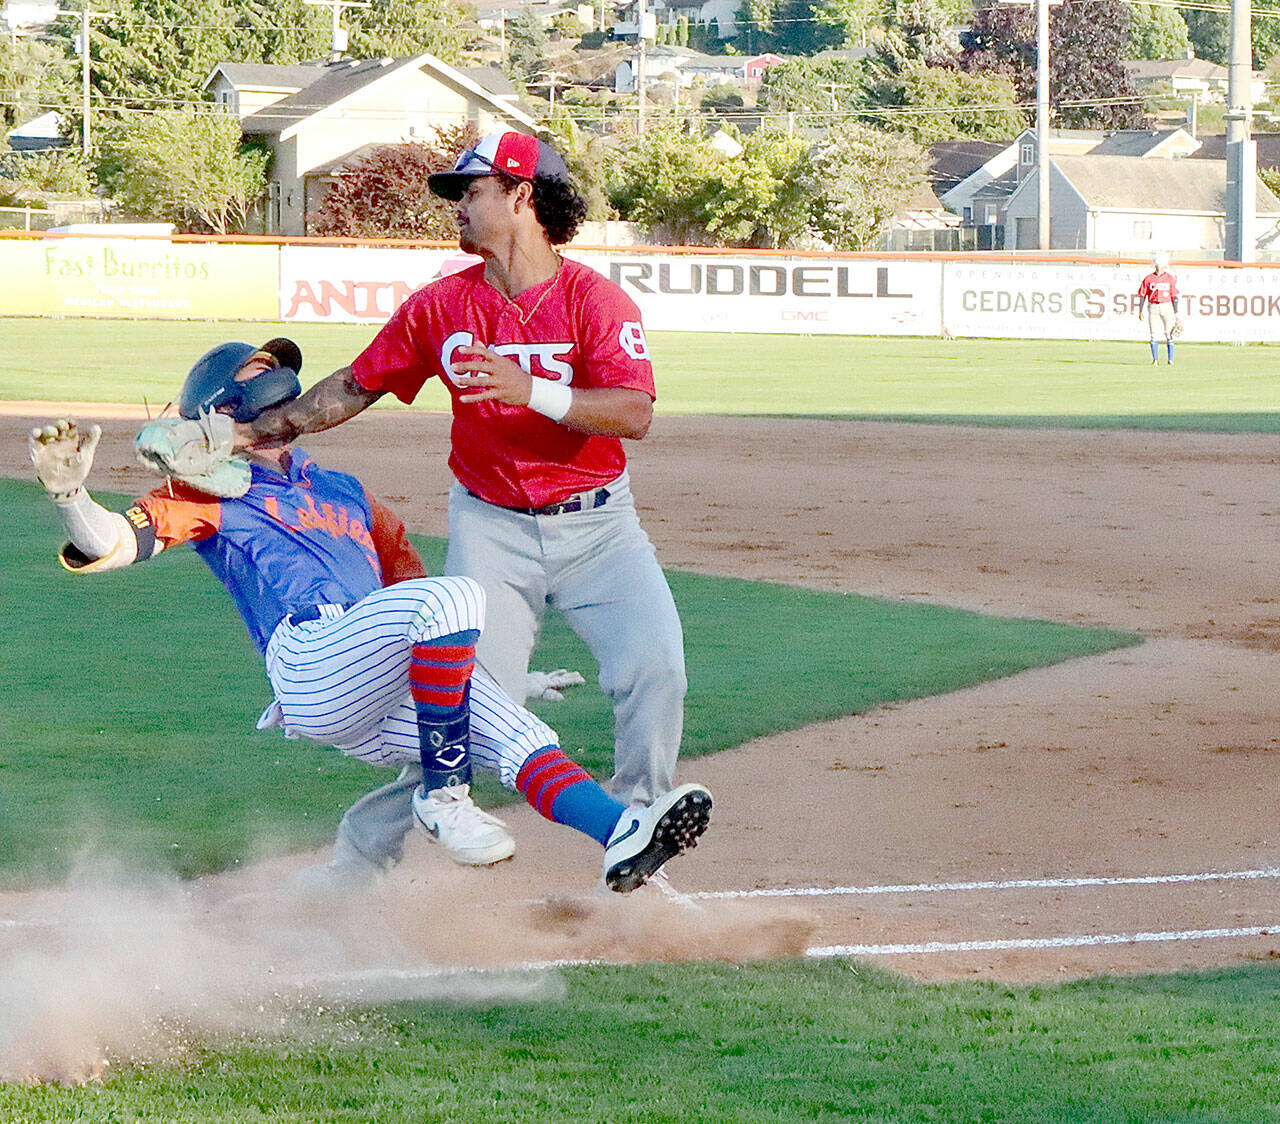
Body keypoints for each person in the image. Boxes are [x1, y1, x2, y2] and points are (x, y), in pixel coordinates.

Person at [27, 338, 711, 894]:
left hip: (377, 681)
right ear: (224, 404)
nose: (275, 382)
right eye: (258, 372)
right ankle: (444, 798)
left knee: (515, 729)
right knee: (457, 595)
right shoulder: (202, 495)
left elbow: (415, 609)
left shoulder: (344, 492)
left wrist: (506, 679)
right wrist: (68, 494)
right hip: (310, 662)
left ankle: (621, 832)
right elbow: (111, 544)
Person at [236, 131, 690, 882]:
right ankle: (362, 854)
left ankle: (639, 835)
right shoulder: (444, 304)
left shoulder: (594, 301)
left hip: (601, 528)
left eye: (472, 191)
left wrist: (531, 391)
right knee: (476, 712)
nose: (458, 207)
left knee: (656, 671)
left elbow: (632, 412)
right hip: (491, 525)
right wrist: (262, 428)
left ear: (521, 194)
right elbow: (358, 382)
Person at [1137, 251, 1180, 365]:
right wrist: (1140, 310)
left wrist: (1176, 313)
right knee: (1154, 333)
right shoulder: (1149, 278)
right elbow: (1142, 295)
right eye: (1159, 265)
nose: (1161, 267)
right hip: (1153, 306)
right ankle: (1155, 360)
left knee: (1169, 333)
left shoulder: (1170, 278)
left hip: (1167, 306)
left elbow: (1174, 296)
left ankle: (1170, 359)